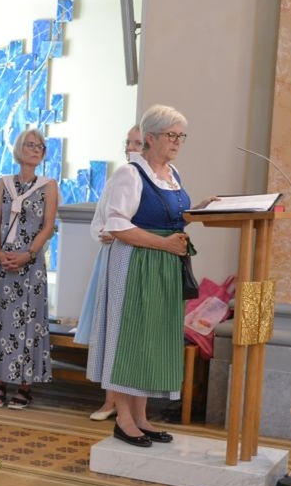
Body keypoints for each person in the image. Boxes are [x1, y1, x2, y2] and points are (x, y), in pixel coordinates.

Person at [82, 104, 210, 447]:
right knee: (131, 338)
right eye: (171, 135)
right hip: (135, 262)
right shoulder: (130, 173)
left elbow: (170, 216)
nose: (177, 141)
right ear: (150, 137)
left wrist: (199, 212)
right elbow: (117, 224)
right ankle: (124, 419)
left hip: (163, 264)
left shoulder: (172, 173)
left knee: (150, 338)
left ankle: (141, 417)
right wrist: (164, 244)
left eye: (181, 136)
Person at [0, 128, 59, 410]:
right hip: (3, 263)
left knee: (27, 322)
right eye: (30, 145)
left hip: (30, 265)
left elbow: (48, 226)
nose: (36, 149)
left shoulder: (48, 185)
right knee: (1, 321)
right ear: (19, 149)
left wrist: (28, 254)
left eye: (40, 146)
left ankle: (25, 387)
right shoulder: (4, 183)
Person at [79, 124, 143, 421]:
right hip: (109, 257)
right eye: (128, 142)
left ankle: (130, 404)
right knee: (108, 326)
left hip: (133, 256)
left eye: (137, 143)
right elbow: (100, 217)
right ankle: (109, 401)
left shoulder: (148, 179)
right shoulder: (120, 176)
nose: (131, 148)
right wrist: (102, 232)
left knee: (126, 330)